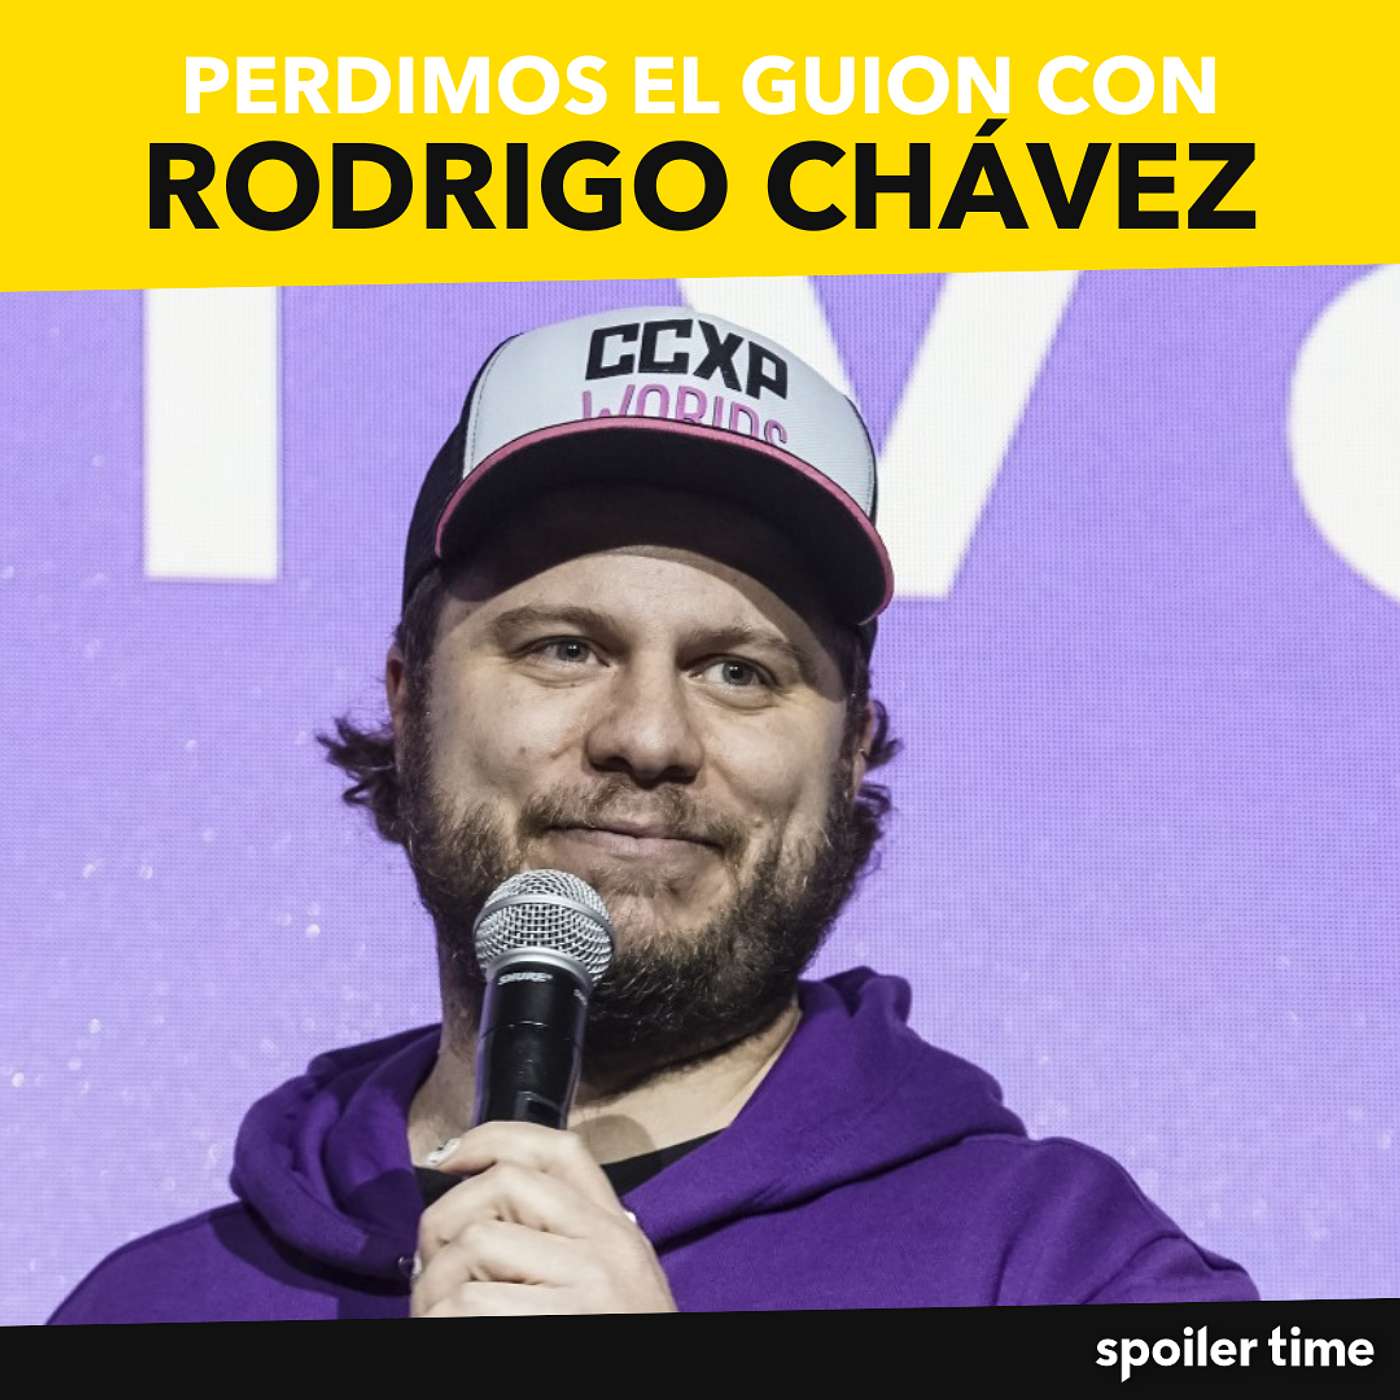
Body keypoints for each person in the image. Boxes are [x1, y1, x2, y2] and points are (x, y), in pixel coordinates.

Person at [48, 307, 1258, 1322]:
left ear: (850, 752)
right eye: (564, 647)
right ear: (409, 698)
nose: (648, 735)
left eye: (737, 669)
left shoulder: (1072, 1276)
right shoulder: (148, 1309)